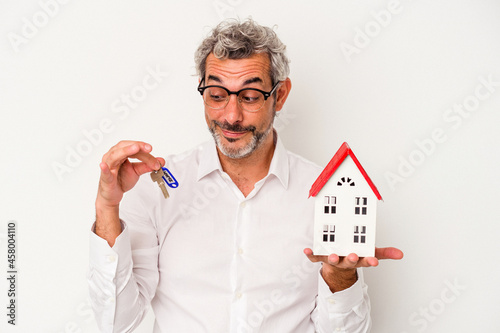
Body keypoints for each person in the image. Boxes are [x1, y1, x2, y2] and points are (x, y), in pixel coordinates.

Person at [88, 18, 403, 333]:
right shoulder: (155, 188)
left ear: (279, 96)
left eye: (250, 96)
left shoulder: (328, 195)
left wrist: (340, 277)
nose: (231, 116)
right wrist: (107, 207)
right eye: (216, 94)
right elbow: (117, 322)